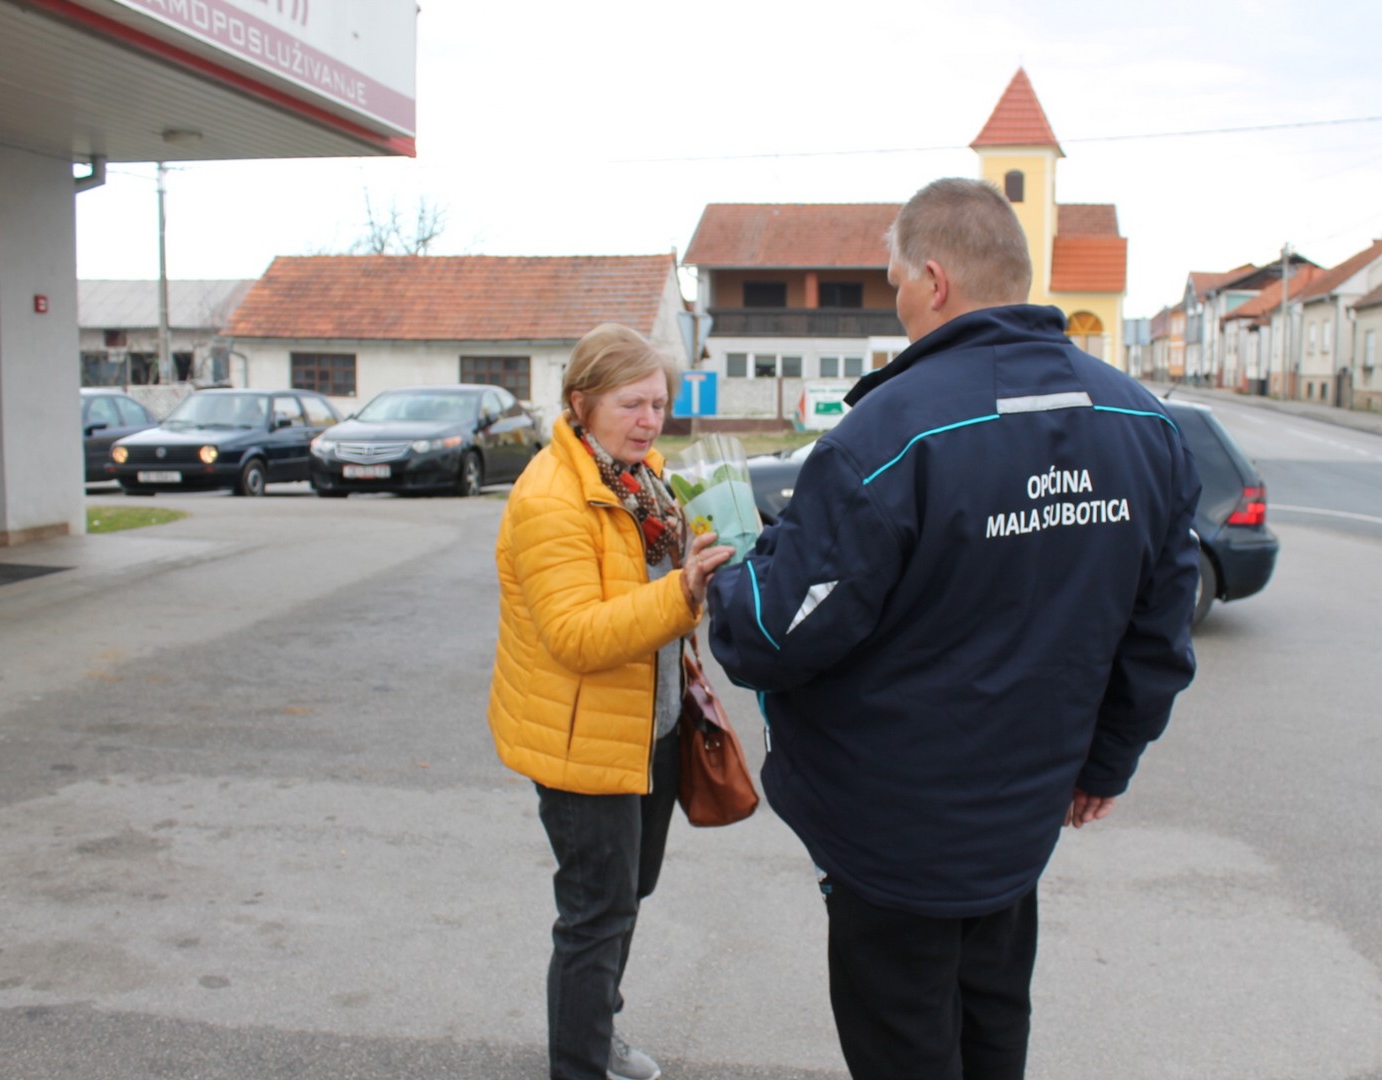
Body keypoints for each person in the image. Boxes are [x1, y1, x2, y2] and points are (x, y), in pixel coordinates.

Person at [707, 178, 1201, 1079]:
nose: (895, 297)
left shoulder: (887, 435)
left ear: (933, 279)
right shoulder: (1144, 425)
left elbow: (776, 636)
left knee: (907, 1045)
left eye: (895, 277)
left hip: (895, 836)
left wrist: (736, 577)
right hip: (1021, 821)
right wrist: (1105, 764)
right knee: (991, 1031)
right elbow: (1158, 633)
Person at [486, 323, 733, 1080]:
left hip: (646, 727)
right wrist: (681, 592)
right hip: (579, 743)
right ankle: (582, 1063)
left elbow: (656, 584)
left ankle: (599, 1031)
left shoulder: (641, 480)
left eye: (659, 403)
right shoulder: (552, 499)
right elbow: (577, 638)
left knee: (630, 892)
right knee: (595, 917)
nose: (650, 420)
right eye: (632, 404)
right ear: (581, 403)